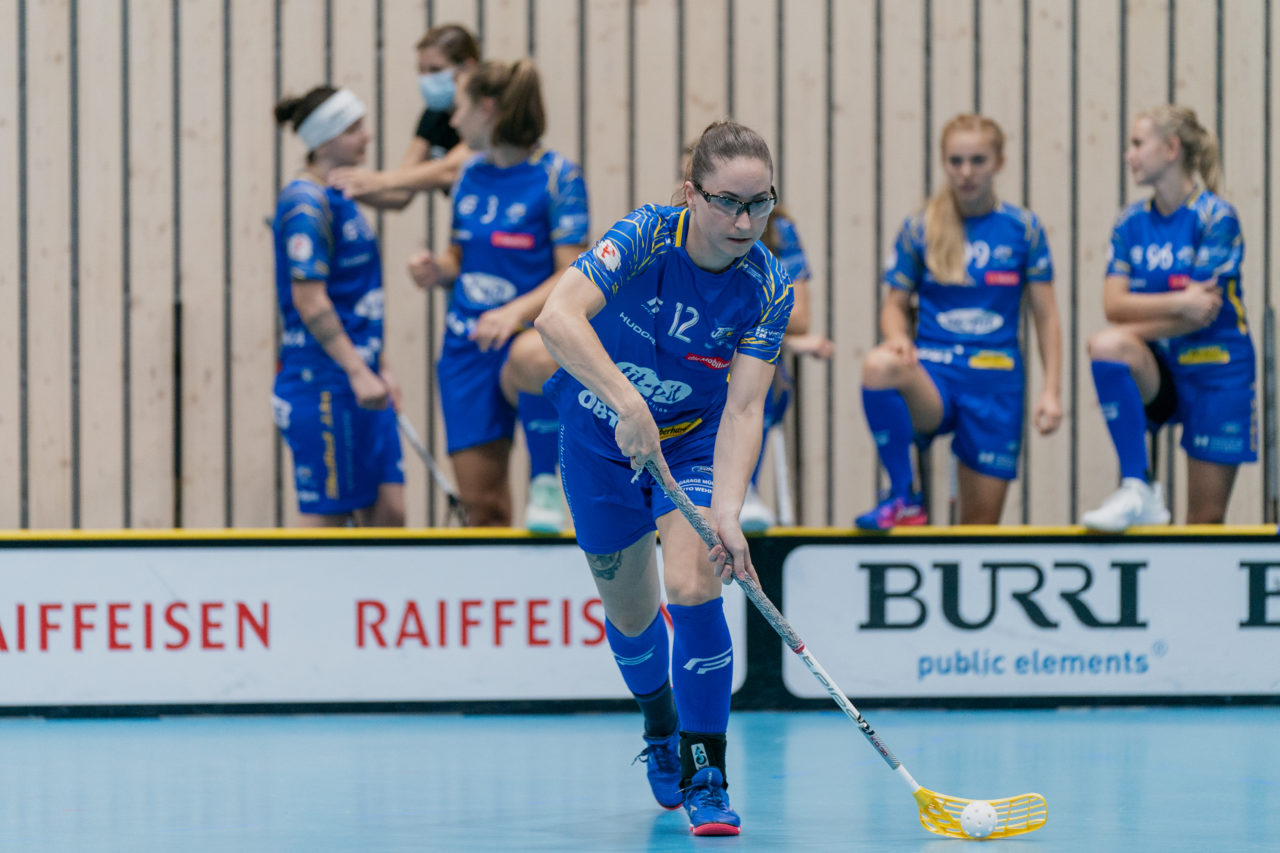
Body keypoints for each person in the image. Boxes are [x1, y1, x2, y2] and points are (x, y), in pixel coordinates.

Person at [535, 119, 794, 836]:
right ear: (691, 193)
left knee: (693, 582)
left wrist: (729, 510)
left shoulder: (769, 286)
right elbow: (556, 317)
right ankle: (660, 724)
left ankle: (706, 770)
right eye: (726, 202)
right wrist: (628, 403)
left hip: (690, 449)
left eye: (759, 203)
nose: (743, 222)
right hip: (599, 437)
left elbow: (744, 406)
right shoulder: (646, 235)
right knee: (632, 618)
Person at [855, 113, 1063, 529]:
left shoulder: (1023, 228)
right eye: (956, 161)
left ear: (999, 162)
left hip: (996, 382)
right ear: (944, 163)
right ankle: (903, 495)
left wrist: (1051, 392)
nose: (966, 172)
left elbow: (1046, 315)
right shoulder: (920, 228)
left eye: (978, 160)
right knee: (878, 366)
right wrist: (897, 337)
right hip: (935, 375)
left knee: (978, 528)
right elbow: (894, 306)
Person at [406, 59, 588, 530]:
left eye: (459, 108)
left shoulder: (557, 176)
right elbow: (460, 256)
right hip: (467, 347)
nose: (452, 120)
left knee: (537, 358)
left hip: (522, 337)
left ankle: (544, 481)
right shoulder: (468, 174)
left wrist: (514, 313)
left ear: (487, 109)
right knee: (482, 507)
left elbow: (572, 271)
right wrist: (437, 269)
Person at [1081, 105, 1255, 531]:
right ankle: (1137, 486)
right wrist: (1179, 302)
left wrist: (1145, 317)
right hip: (1162, 367)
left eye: (1137, 144)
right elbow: (1114, 304)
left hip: (1217, 369)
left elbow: (1203, 313)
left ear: (1172, 148)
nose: (1129, 155)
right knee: (1106, 345)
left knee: (1204, 520)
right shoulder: (1130, 223)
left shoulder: (1216, 217)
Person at [271, 86, 405, 527]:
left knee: (389, 515)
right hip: (324, 382)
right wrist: (357, 370)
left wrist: (381, 366)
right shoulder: (305, 203)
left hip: (361, 376)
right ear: (324, 139)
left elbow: (356, 298)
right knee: (328, 530)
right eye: (353, 129)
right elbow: (309, 300)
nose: (366, 136)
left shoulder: (340, 198)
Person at [738, 207, 835, 530]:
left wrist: (782, 339)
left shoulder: (780, 231)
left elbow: (799, 318)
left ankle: (740, 491)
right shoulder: (674, 229)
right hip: (691, 359)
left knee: (756, 370)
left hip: (750, 359)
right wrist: (790, 341)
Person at [329, 24, 480, 207]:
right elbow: (401, 193)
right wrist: (341, 187)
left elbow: (453, 169)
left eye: (435, 70)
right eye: (421, 71)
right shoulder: (434, 116)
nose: (426, 79)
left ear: (468, 67)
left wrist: (379, 180)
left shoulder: (488, 110)